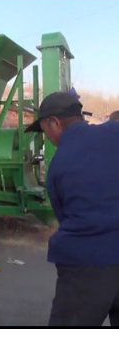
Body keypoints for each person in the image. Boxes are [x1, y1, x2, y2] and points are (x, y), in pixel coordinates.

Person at [25, 92, 119, 326]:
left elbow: (63, 215)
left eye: (45, 131)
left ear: (54, 122)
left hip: (86, 266)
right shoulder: (114, 132)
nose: (47, 138)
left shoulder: (59, 164)